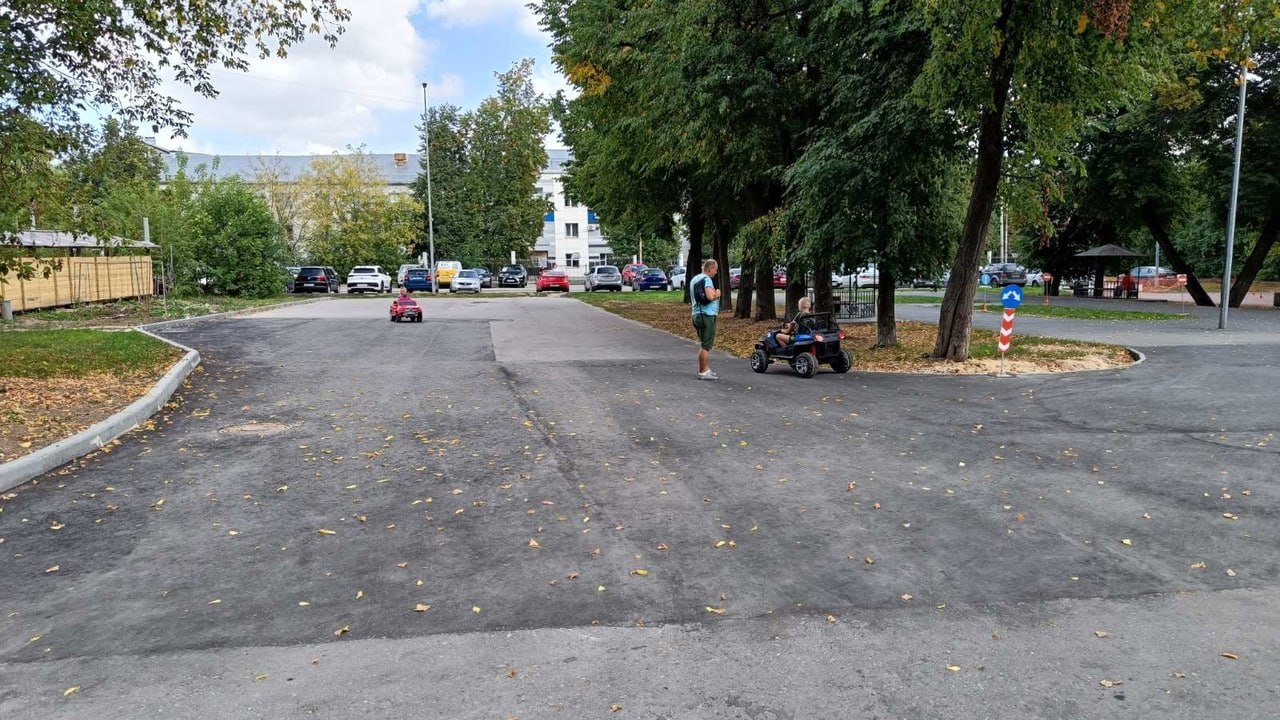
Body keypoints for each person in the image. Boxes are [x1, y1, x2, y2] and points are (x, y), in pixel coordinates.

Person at [689, 259, 721, 380]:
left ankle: (706, 369)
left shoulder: (694, 279)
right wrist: (717, 293)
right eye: (715, 269)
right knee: (706, 345)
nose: (716, 272)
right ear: (710, 268)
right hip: (706, 315)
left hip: (696, 314)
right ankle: (703, 372)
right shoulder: (706, 279)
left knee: (704, 344)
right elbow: (710, 296)